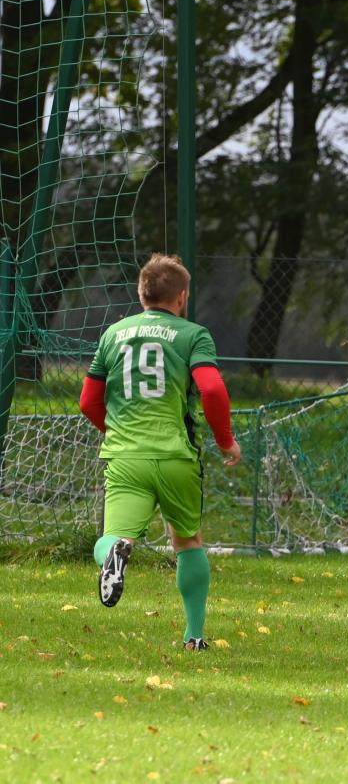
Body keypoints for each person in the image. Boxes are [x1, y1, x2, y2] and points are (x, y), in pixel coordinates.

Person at [78, 253, 241, 651]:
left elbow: (88, 401)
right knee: (188, 541)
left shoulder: (113, 334)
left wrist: (117, 432)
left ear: (141, 294)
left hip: (126, 457)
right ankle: (194, 637)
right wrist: (225, 440)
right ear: (182, 296)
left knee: (113, 536)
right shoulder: (193, 335)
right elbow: (212, 389)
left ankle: (114, 554)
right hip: (175, 457)